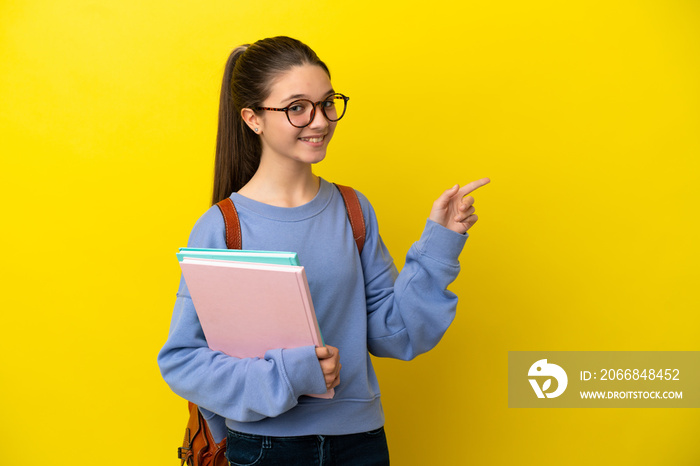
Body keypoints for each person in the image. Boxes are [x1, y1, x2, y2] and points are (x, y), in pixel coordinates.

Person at [158, 36, 489, 465]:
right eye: (297, 107)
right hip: (263, 450)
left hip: (361, 442)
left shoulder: (353, 210)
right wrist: (290, 375)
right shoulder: (224, 227)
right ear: (252, 119)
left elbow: (398, 334)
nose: (320, 120)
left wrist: (440, 242)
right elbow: (183, 361)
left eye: (327, 102)